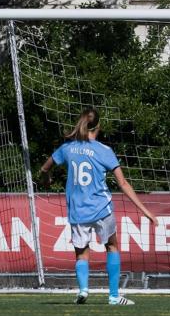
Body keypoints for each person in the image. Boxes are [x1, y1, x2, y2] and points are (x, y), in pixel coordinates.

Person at [40, 108, 155, 305]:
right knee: (111, 246)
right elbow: (123, 184)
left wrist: (47, 179)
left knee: (81, 251)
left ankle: (83, 290)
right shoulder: (104, 150)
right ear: (99, 126)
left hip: (77, 209)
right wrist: (145, 211)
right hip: (101, 208)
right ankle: (113, 296)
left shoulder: (68, 148)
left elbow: (44, 168)